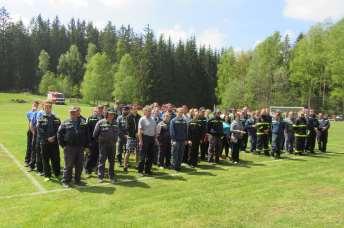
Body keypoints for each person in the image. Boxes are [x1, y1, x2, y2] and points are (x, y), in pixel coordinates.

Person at [57, 106, 89, 188]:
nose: (73, 114)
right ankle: (66, 181)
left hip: (80, 148)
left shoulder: (83, 122)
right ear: (69, 113)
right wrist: (63, 145)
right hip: (69, 148)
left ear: (77, 113)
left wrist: (86, 146)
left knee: (79, 165)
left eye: (74, 112)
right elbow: (59, 134)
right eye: (71, 113)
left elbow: (86, 135)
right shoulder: (65, 123)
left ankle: (77, 180)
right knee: (68, 165)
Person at [36, 101, 61, 181]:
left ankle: (57, 173)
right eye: (46, 108)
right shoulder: (40, 119)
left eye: (49, 107)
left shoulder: (56, 119)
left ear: (51, 108)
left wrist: (53, 137)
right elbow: (40, 131)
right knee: (45, 159)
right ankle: (47, 175)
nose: (47, 109)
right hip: (44, 142)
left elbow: (59, 130)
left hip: (54, 142)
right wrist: (47, 138)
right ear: (44, 109)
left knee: (56, 158)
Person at [93, 108, 118, 183]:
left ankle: (111, 176)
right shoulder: (100, 122)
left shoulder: (116, 123)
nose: (111, 115)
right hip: (103, 145)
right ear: (107, 114)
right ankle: (100, 177)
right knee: (102, 161)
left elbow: (117, 133)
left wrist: (115, 140)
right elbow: (95, 134)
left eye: (113, 114)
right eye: (110, 114)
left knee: (112, 161)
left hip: (112, 145)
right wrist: (101, 141)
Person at [137, 106, 157, 175]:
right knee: (142, 156)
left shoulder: (153, 119)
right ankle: (140, 171)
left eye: (150, 111)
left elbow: (155, 130)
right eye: (148, 111)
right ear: (144, 112)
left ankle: (148, 170)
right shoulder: (142, 119)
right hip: (145, 138)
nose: (150, 112)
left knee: (150, 156)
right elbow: (139, 131)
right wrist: (140, 141)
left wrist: (155, 138)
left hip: (151, 139)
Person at [84, 106, 102, 176]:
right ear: (94, 110)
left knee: (98, 155)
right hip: (92, 140)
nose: (99, 111)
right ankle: (87, 169)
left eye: (100, 109)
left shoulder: (104, 117)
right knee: (90, 155)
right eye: (98, 109)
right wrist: (89, 141)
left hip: (100, 141)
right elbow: (87, 131)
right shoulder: (90, 118)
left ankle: (95, 168)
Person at [123, 105, 141, 172]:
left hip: (138, 137)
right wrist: (134, 134)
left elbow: (140, 126)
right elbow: (127, 128)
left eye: (136, 108)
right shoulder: (128, 117)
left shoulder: (139, 117)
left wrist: (138, 133)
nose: (135, 110)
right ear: (131, 109)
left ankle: (137, 165)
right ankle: (125, 166)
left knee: (137, 151)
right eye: (133, 108)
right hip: (131, 137)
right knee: (128, 152)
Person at [25, 101, 39, 166]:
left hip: (36, 132)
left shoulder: (38, 113)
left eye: (36, 105)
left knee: (34, 147)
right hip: (30, 131)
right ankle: (27, 160)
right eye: (34, 105)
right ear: (32, 105)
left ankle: (34, 161)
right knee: (29, 146)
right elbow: (30, 121)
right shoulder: (28, 113)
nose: (35, 106)